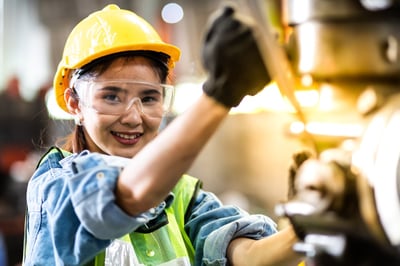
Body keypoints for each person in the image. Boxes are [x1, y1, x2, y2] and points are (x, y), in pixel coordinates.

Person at [23, 4, 303, 266]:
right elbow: (125, 196)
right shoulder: (56, 186)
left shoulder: (181, 196)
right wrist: (221, 95)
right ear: (75, 103)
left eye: (148, 98)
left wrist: (308, 225)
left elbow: (250, 257)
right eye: (111, 97)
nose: (133, 117)